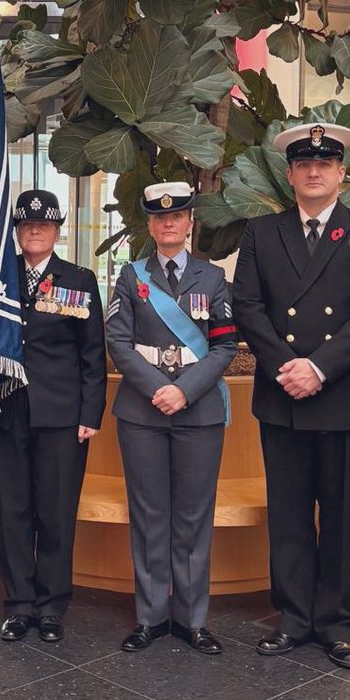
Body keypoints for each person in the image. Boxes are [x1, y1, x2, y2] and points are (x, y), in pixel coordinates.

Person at [231, 122, 350, 670]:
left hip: (341, 396)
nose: (314, 171)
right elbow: (248, 306)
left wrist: (319, 368)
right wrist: (287, 367)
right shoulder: (261, 233)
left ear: (341, 174)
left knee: (341, 514)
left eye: (324, 164)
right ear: (290, 174)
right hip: (283, 394)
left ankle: (336, 623)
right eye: (304, 164)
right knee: (289, 513)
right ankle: (294, 617)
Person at [105, 181, 237, 655]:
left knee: (194, 516)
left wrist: (182, 390)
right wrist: (158, 388)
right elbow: (117, 341)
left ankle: (192, 618)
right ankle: (150, 617)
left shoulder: (213, 277)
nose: (168, 223)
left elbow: (224, 345)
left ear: (189, 223)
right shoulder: (130, 276)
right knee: (148, 514)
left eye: (177, 216)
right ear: (150, 225)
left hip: (197, 409)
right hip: (142, 410)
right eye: (160, 217)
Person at [0, 190, 106, 644]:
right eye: (26, 225)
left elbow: (92, 354)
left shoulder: (79, 279)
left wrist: (90, 413)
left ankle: (53, 604)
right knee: (12, 509)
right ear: (17, 231)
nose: (35, 230)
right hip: (6, 411)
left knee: (56, 512)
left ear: (58, 230)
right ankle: (19, 604)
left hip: (61, 414)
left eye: (44, 225)